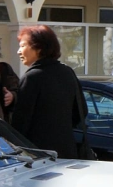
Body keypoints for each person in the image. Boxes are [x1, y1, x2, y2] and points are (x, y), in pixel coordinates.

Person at [11, 25, 87, 160]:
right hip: (67, 152)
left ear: (38, 48)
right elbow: (81, 111)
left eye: (22, 46)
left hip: (38, 157)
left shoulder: (32, 77)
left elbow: (20, 124)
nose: (18, 51)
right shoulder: (68, 72)